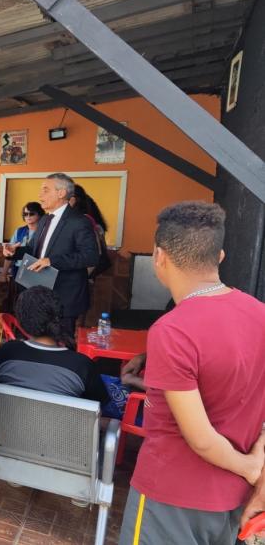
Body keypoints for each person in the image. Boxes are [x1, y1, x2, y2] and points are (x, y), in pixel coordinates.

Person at [118, 201, 265, 545]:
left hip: (170, 497)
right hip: (232, 498)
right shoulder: (260, 314)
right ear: (221, 256)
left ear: (159, 256)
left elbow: (200, 438)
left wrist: (251, 468)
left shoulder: (172, 330)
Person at [4, 172, 98, 335]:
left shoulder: (78, 221)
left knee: (61, 344)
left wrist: (52, 261)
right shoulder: (45, 221)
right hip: (40, 293)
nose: (40, 195)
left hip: (65, 296)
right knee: (39, 341)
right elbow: (34, 250)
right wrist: (14, 251)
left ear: (61, 193)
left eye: (46, 190)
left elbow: (91, 256)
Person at [0, 286, 109, 405]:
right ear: (59, 316)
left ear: (21, 321)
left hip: (10, 424)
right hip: (64, 425)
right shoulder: (81, 366)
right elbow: (100, 403)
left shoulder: (5, 353)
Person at [0, 201, 44, 282]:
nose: (28, 216)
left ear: (39, 214)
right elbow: (9, 254)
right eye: (25, 214)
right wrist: (3, 274)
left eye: (31, 214)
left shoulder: (44, 231)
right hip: (19, 269)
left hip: (37, 269)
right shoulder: (19, 231)